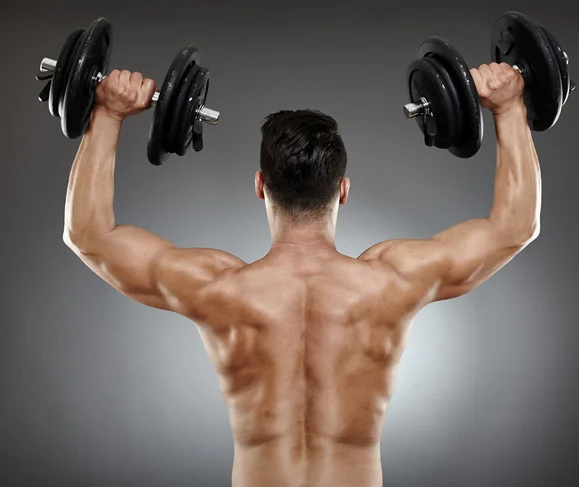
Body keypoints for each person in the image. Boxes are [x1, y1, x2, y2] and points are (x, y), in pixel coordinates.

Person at [63, 61, 539, 487]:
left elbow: (90, 236)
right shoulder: (394, 281)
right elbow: (515, 226)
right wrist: (508, 105)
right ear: (344, 190)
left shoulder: (217, 288)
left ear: (260, 185)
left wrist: (107, 114)